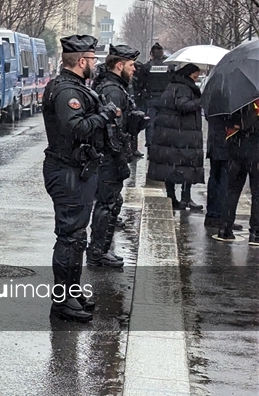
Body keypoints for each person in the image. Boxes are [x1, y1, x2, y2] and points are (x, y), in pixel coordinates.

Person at [42, 35, 119, 323]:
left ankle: (71, 291)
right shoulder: (66, 91)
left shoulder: (74, 87)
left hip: (77, 170)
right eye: (93, 59)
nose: (95, 64)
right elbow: (75, 128)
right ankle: (62, 301)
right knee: (70, 237)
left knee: (76, 237)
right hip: (68, 170)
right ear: (82, 61)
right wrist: (104, 116)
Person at [87, 45, 146, 267]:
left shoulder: (114, 86)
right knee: (107, 203)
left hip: (108, 156)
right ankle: (98, 252)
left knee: (110, 202)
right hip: (109, 157)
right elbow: (112, 129)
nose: (134, 69)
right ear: (119, 65)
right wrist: (121, 155)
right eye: (131, 65)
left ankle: (100, 249)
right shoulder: (113, 90)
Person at [147, 63, 205, 211]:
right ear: (189, 74)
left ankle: (173, 197)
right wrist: (201, 102)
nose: (197, 78)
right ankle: (184, 198)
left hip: (172, 133)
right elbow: (183, 105)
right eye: (196, 75)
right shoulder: (184, 88)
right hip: (182, 133)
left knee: (170, 166)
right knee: (187, 165)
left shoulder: (172, 85)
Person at [213, 100, 259, 245]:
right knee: (257, 193)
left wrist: (239, 124)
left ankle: (225, 229)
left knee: (232, 190)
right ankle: (256, 233)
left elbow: (226, 120)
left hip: (236, 150)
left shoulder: (235, 99)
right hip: (256, 151)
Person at [136, 42, 171, 149]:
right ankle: (163, 143)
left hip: (151, 99)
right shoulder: (169, 67)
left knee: (150, 123)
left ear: (151, 54)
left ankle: (151, 145)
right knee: (165, 123)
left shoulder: (147, 67)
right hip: (165, 99)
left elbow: (140, 83)